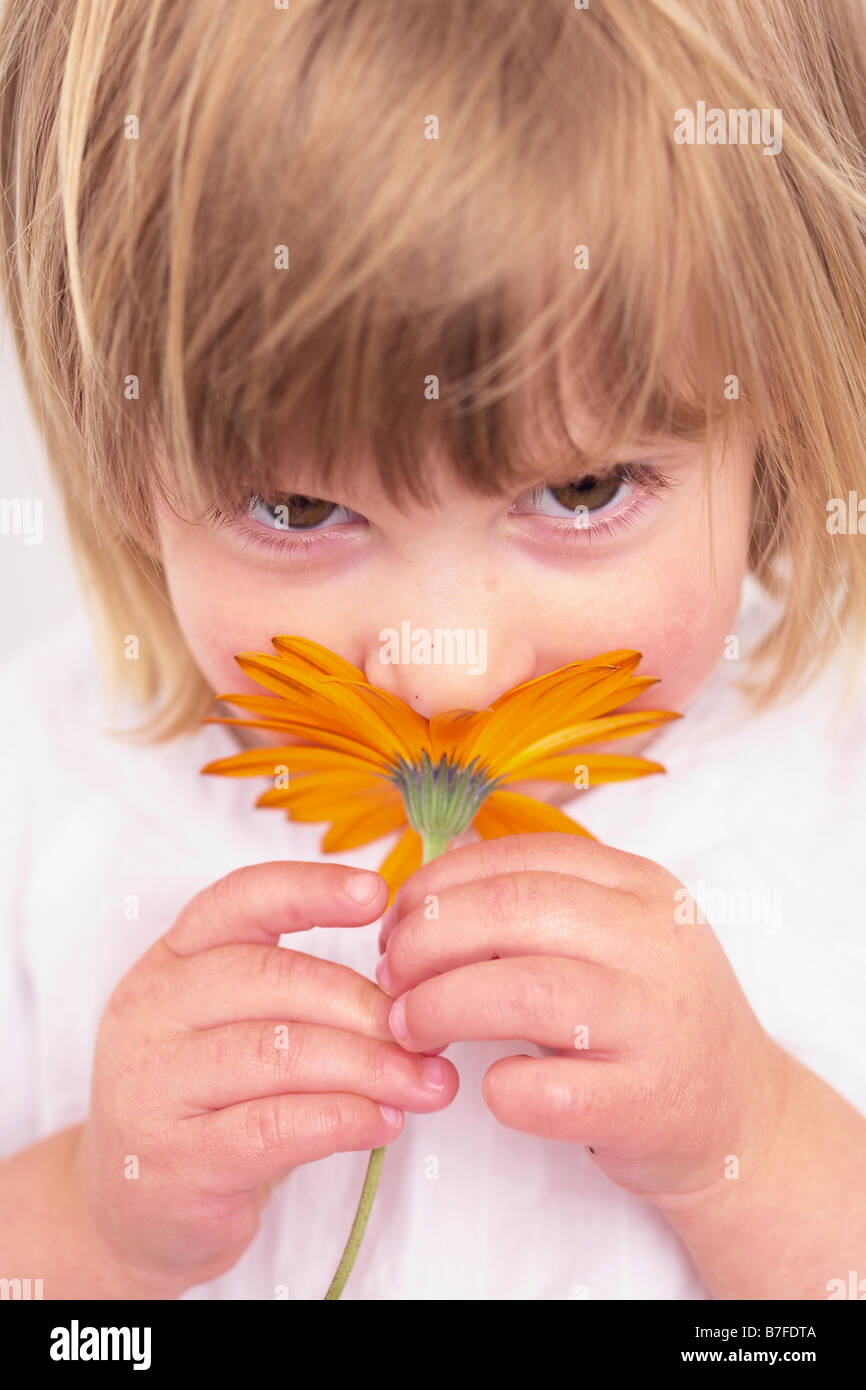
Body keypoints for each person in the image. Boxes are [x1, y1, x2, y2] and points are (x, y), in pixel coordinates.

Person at [0, 0, 864, 1300]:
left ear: (781, 431)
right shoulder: (43, 810)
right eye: (296, 509)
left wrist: (752, 1139)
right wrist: (89, 1217)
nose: (446, 666)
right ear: (122, 475)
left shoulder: (830, 793)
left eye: (578, 492)